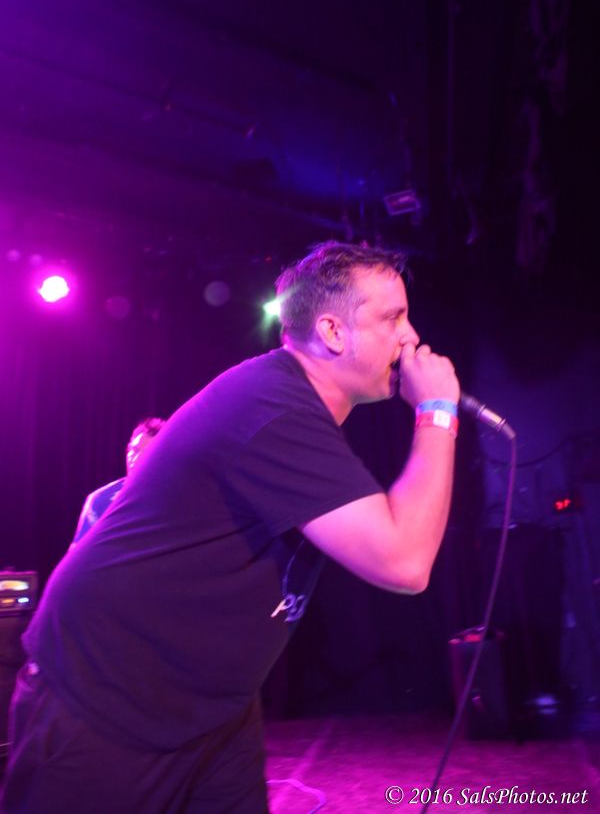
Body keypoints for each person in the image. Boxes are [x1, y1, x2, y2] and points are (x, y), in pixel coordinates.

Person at [0, 241, 459, 814]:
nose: (410, 337)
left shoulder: (292, 404)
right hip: (103, 698)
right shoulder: (274, 407)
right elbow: (405, 563)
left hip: (209, 706)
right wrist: (437, 411)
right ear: (333, 332)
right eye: (393, 318)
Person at [70, 417, 165, 547]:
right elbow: (80, 553)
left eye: (147, 452)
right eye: (135, 450)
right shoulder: (101, 499)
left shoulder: (178, 498)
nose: (137, 458)